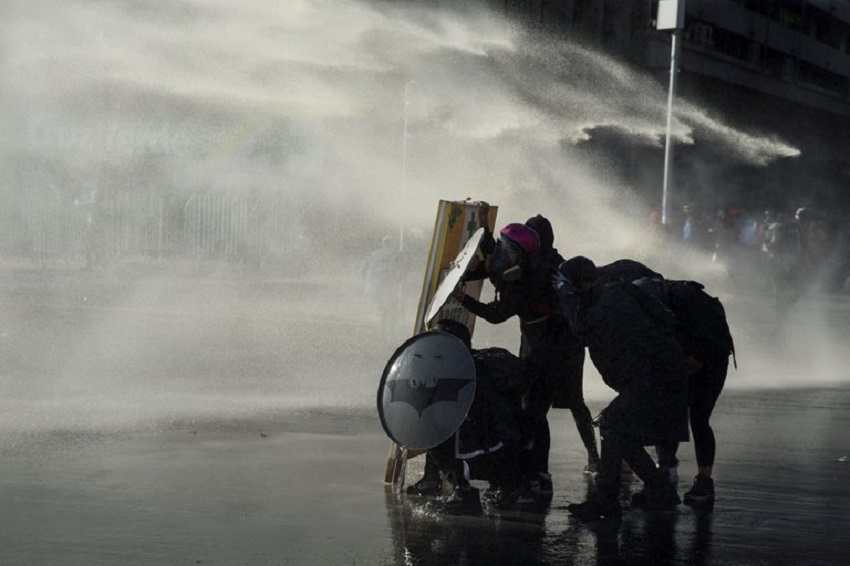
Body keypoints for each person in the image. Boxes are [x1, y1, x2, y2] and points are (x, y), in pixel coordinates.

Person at [452, 219, 600, 500]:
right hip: (554, 344)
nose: (505, 253)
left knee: (532, 413)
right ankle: (582, 461)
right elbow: (498, 269)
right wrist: (483, 244)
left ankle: (536, 476)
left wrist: (461, 296)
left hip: (549, 349)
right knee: (554, 407)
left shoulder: (531, 275)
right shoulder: (539, 263)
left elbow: (498, 311)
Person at [554, 256, 688, 521]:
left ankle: (607, 502)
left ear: (578, 285)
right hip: (657, 373)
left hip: (655, 376)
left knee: (611, 424)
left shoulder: (607, 303)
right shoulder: (613, 291)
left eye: (565, 284)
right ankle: (659, 490)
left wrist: (567, 298)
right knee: (620, 432)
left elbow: (580, 330)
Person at [405, 319, 530, 515]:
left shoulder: (465, 375)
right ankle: (507, 484)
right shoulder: (477, 364)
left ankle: (464, 493)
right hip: (513, 447)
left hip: (498, 451)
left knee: (432, 432)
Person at [632, 277, 734, 505]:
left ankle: (704, 481)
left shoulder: (688, 299)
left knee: (699, 419)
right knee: (670, 414)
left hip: (711, 362)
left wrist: (698, 357)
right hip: (682, 360)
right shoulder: (653, 303)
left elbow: (716, 337)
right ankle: (664, 471)